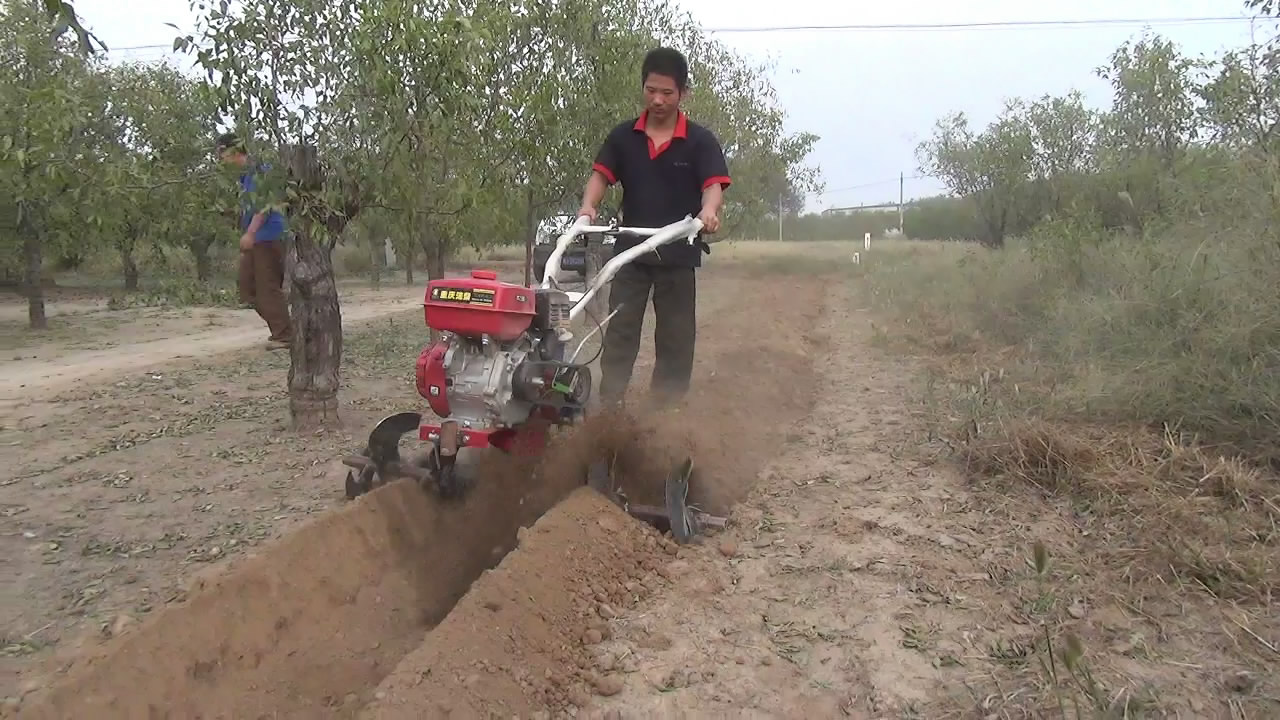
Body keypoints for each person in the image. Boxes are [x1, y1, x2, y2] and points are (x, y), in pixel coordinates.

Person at [577, 47, 731, 410]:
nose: (658, 100)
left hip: (678, 253)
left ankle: (665, 414)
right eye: (651, 90)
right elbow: (600, 176)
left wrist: (709, 211)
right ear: (643, 87)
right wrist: (588, 208)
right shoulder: (623, 137)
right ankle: (610, 407)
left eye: (667, 93)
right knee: (620, 331)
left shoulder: (699, 141)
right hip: (631, 253)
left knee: (676, 339)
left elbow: (713, 186)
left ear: (683, 93)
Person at [216, 132, 292, 350]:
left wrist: (250, 233)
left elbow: (264, 206)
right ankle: (284, 328)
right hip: (257, 239)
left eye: (221, 155)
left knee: (267, 287)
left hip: (269, 237)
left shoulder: (259, 172)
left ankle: (285, 334)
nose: (221, 160)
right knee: (247, 288)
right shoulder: (244, 178)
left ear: (232, 151)